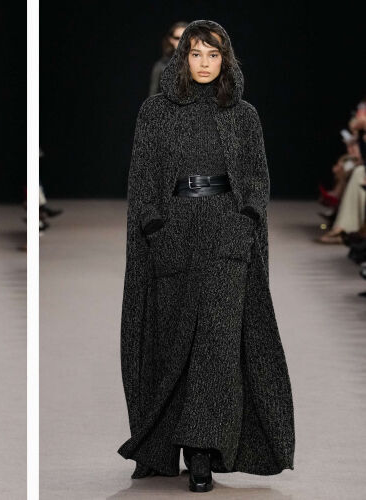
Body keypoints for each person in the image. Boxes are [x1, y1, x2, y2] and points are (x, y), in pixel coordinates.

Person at [118, 20, 294, 493]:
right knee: (174, 344)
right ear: (181, 57)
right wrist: (155, 228)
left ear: (225, 60)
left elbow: (256, 179)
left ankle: (201, 453)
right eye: (195, 53)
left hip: (226, 235)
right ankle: (164, 443)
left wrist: (244, 223)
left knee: (217, 347)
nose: (204, 63)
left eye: (213, 55)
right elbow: (141, 178)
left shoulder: (243, 115)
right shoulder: (155, 112)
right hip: (175, 231)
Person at [148, 21, 187, 97]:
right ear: (171, 40)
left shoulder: (200, 63)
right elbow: (153, 94)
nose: (181, 41)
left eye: (185, 37)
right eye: (177, 38)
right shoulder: (161, 65)